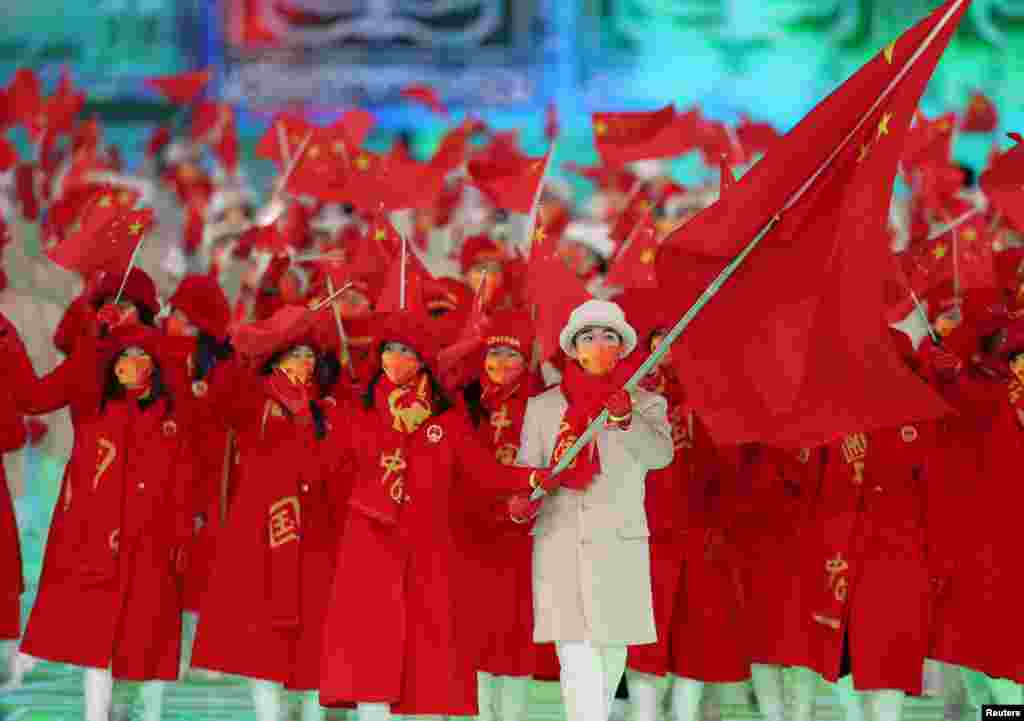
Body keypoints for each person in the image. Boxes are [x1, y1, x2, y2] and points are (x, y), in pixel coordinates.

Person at [319, 309, 552, 721]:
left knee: (425, 655)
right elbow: (330, 471)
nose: (397, 359)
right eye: (389, 350)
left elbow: (486, 473)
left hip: (427, 551)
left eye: (407, 351)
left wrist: (537, 476)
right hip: (370, 547)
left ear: (424, 360)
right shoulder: (360, 413)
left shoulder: (446, 423)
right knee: (370, 652)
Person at [2, 318, 194, 721]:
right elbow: (36, 396)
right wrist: (89, 346)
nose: (133, 364)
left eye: (141, 356)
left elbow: (181, 480)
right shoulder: (95, 408)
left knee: (141, 645)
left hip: (148, 547)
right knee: (97, 646)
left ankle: (131, 711)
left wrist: (179, 539)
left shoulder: (171, 418)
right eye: (125, 357)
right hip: (99, 540)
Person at [515, 299, 674, 721]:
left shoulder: (645, 402)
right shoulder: (544, 406)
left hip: (618, 546)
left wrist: (626, 420)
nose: (598, 344)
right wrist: (525, 494)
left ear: (623, 347)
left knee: (608, 660)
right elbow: (525, 472)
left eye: (608, 336)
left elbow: (660, 455)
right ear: (573, 348)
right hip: (560, 542)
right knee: (576, 659)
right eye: (588, 337)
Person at [190, 305, 347, 721]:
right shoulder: (254, 398)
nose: (304, 364)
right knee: (262, 644)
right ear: (276, 359)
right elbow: (221, 397)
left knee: (314, 638)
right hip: (261, 532)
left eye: (310, 356)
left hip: (315, 532)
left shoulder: (327, 408)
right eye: (295, 355)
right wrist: (242, 348)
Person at [456, 310, 545, 721]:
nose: (503, 365)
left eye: (513, 356)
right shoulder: (465, 401)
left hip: (523, 536)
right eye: (495, 354)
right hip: (472, 534)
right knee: (473, 633)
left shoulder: (543, 405)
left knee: (516, 634)